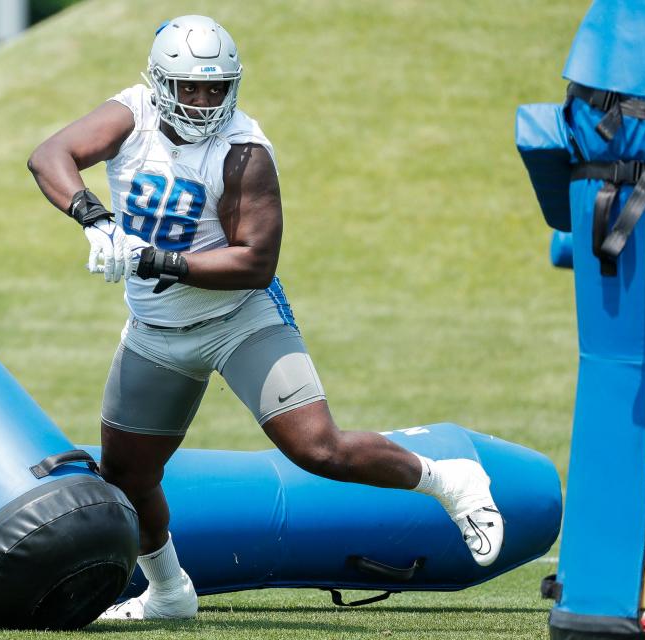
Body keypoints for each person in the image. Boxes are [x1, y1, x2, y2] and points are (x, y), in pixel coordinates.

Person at [27, 14, 504, 621]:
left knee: (317, 449)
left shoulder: (244, 151)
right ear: (159, 83)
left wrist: (153, 257)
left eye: (216, 87)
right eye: (189, 88)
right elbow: (50, 155)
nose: (203, 101)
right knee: (127, 473)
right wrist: (94, 219)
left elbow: (254, 261)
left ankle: (449, 479)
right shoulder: (133, 111)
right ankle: (170, 592)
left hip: (238, 319)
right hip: (156, 330)